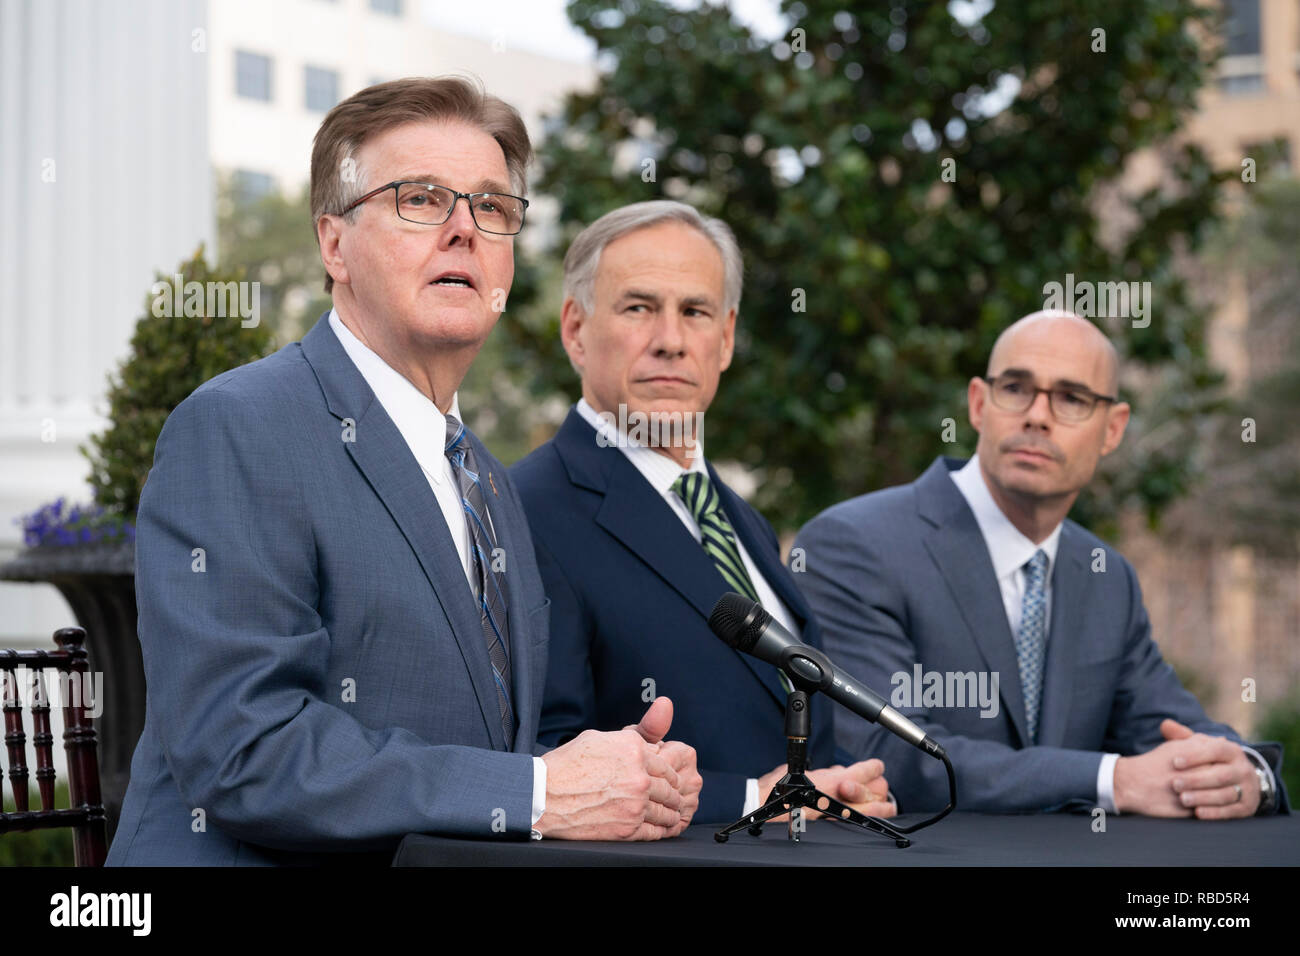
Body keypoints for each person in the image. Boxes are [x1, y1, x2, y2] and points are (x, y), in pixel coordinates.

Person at [107, 78, 700, 866]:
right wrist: (537, 793)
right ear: (333, 243)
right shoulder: (238, 427)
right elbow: (242, 746)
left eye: (492, 207)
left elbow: (493, 750)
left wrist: (626, 776)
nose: (465, 229)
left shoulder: (487, 478)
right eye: (420, 199)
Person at [794, 310, 1287, 817]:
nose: (1037, 415)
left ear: (1113, 429)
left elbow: (1168, 727)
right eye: (1016, 388)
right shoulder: (855, 546)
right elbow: (891, 758)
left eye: (1072, 398)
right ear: (979, 404)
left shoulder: (1104, 576)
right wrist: (1113, 780)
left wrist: (1246, 774)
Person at [511, 201, 893, 825]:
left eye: (695, 311)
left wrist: (833, 787)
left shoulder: (741, 519)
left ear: (727, 338)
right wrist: (746, 799)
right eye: (639, 308)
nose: (670, 340)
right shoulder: (525, 510)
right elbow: (541, 756)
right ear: (575, 330)